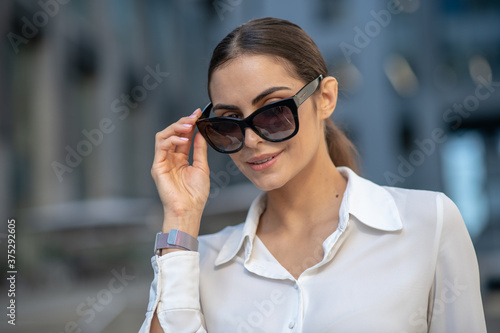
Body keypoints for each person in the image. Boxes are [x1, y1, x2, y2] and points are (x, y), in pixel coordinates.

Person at [139, 17, 486, 333]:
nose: (252, 139)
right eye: (229, 123)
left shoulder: (428, 223)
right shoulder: (197, 263)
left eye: (274, 112)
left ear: (326, 97)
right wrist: (181, 217)